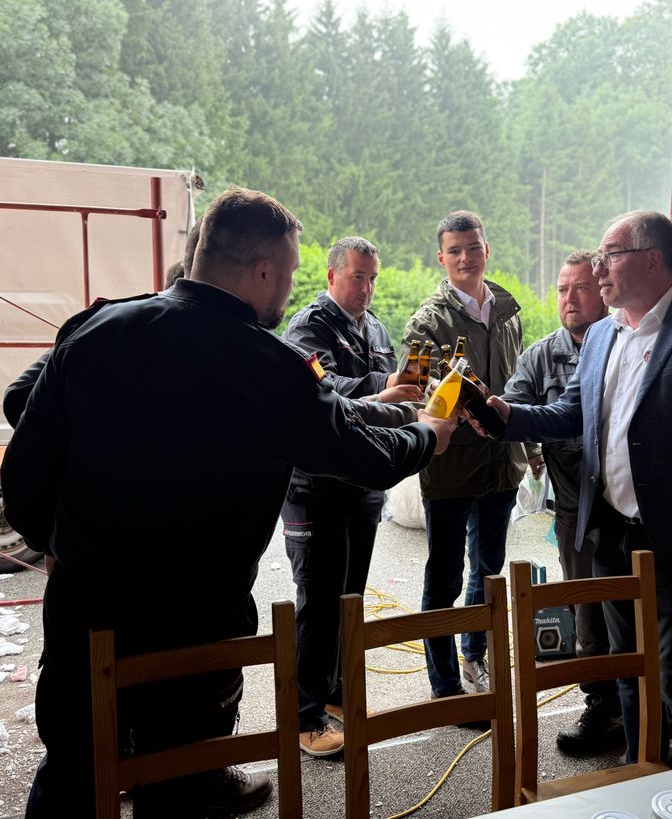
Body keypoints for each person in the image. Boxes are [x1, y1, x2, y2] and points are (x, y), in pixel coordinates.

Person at [0, 188, 454, 819]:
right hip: (198, 623)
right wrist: (428, 434)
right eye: (291, 274)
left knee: (75, 768)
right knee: (182, 775)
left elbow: (23, 474)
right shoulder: (269, 365)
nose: (291, 291)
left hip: (87, 607)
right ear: (262, 270)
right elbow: (361, 456)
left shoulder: (98, 328)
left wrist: (58, 545)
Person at [481, 211, 672, 766]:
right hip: (611, 534)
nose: (597, 269)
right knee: (627, 665)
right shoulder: (601, 333)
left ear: (651, 259)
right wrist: (508, 418)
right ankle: (646, 769)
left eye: (608, 255)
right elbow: (573, 411)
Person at [281, 237, 422, 757]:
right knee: (316, 602)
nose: (366, 287)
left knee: (349, 597)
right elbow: (323, 390)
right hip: (315, 488)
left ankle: (337, 693)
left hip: (361, 488)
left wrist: (415, 388)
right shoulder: (308, 326)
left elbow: (394, 387)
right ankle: (305, 716)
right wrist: (382, 387)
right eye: (358, 276)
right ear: (331, 276)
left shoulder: (378, 328)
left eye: (372, 278)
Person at [401, 210, 528, 701]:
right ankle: (445, 684)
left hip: (502, 464)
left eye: (473, 247)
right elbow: (414, 389)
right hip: (451, 466)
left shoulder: (508, 311)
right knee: (445, 576)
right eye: (454, 250)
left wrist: (529, 447)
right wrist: (459, 402)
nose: (465, 258)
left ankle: (475, 654)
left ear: (486, 250)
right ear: (441, 258)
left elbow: (518, 382)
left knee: (489, 572)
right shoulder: (426, 322)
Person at [502, 250, 622, 755]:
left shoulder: (623, 341)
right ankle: (603, 710)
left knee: (636, 608)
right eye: (561, 290)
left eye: (580, 289)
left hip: (626, 511)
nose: (569, 299)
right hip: (575, 511)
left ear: (602, 291)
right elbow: (514, 405)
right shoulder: (539, 354)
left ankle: (652, 709)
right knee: (587, 613)